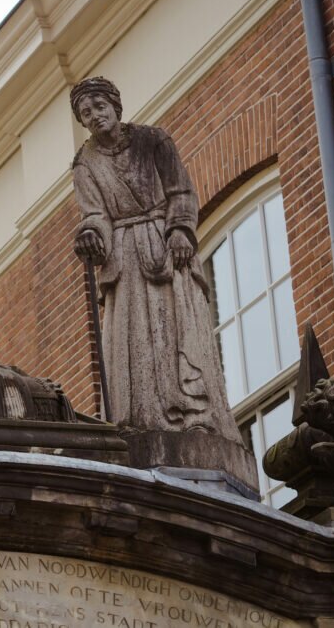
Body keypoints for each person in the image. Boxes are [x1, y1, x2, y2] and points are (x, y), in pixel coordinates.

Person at [70, 76, 241, 443]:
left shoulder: (153, 141)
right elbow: (95, 214)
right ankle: (141, 417)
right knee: (133, 340)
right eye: (86, 113)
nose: (95, 116)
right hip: (124, 255)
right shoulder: (85, 162)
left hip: (164, 245)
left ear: (115, 107)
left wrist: (180, 229)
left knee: (176, 326)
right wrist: (91, 236)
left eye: (100, 107)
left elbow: (181, 191)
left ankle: (195, 412)